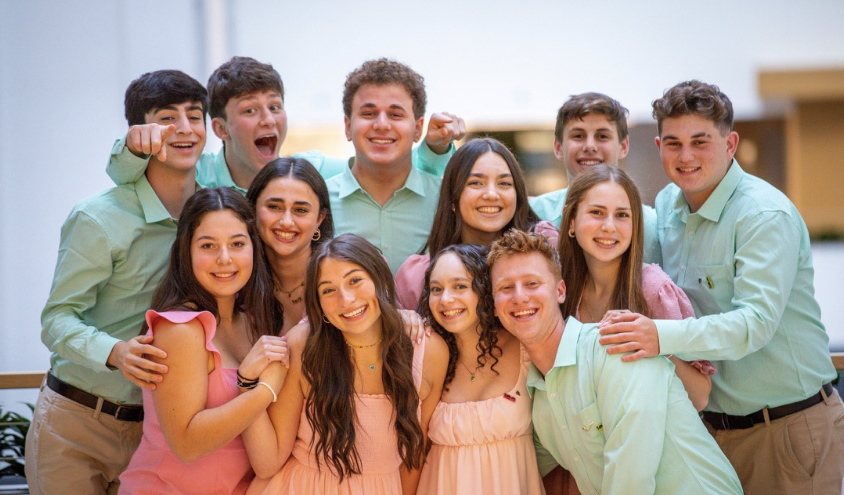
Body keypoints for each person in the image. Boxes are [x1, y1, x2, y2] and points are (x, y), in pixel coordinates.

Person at [597, 80, 844, 494]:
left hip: (786, 429)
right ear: (658, 146)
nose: (686, 156)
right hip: (708, 432)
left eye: (700, 141)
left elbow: (754, 324)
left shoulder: (763, 215)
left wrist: (657, 336)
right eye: (673, 143)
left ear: (730, 144)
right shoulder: (666, 206)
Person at [25, 70, 208, 495]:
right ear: (139, 134)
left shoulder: (209, 213)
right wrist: (115, 352)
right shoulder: (98, 218)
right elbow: (56, 319)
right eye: (167, 118)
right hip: (76, 424)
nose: (184, 128)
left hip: (156, 431)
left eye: (194, 116)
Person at [488, 229, 743, 495]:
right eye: (506, 288)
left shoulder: (615, 348)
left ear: (560, 291)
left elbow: (632, 479)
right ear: (494, 306)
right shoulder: (539, 399)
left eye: (532, 283)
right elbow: (518, 472)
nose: (519, 297)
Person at [241, 234, 448, 494]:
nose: (346, 299)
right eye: (328, 290)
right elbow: (267, 463)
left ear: (380, 280)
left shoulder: (428, 351)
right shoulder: (302, 346)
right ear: (318, 305)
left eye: (355, 281)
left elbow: (414, 456)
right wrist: (247, 384)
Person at [119, 187, 287, 494]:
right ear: (187, 251)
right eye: (208, 245)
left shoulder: (254, 322)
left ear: (254, 248)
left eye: (237, 244)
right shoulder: (180, 329)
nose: (224, 259)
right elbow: (187, 444)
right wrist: (263, 391)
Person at [106, 56, 463, 194]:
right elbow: (125, 177)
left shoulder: (309, 170)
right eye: (250, 110)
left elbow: (384, 167)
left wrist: (433, 147)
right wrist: (134, 147)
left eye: (275, 106)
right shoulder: (196, 175)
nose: (268, 119)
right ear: (220, 129)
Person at [559, 165, 713, 411]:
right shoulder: (561, 289)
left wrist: (658, 344)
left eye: (622, 215)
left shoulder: (654, 289)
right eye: (597, 212)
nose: (609, 226)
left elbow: (700, 397)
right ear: (571, 221)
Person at [415, 244, 545, 494]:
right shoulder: (427, 353)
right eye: (436, 289)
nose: (445, 299)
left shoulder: (525, 347)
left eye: (460, 286)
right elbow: (414, 448)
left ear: (485, 290)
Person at [327, 58, 465, 274]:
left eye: (395, 115)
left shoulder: (447, 201)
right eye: (369, 113)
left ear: (418, 129)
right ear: (347, 126)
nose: (382, 124)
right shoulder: (319, 202)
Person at [394, 137, 554, 311]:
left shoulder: (546, 245)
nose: (491, 194)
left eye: (504, 183)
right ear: (453, 198)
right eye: (476, 183)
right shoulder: (416, 276)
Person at [529, 93, 661, 263]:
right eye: (578, 136)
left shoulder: (651, 226)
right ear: (558, 147)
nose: (590, 146)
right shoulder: (532, 213)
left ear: (624, 146)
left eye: (602, 136)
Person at [246, 157, 334, 332]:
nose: (286, 222)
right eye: (274, 207)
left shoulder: (347, 273)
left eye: (300, 210)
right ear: (253, 210)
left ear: (319, 219)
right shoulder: (235, 283)